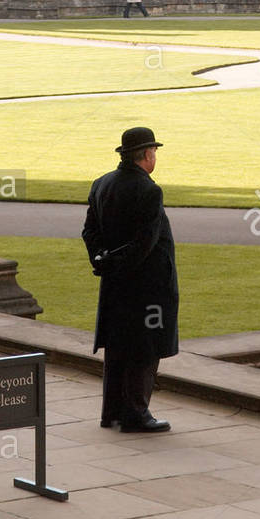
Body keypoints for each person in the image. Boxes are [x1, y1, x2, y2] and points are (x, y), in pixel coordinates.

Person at [82, 127, 178, 433]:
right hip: (146, 289)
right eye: (154, 153)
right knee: (145, 349)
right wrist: (118, 264)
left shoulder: (101, 184)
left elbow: (90, 232)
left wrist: (102, 260)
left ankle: (111, 412)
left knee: (117, 347)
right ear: (147, 154)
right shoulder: (150, 191)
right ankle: (136, 413)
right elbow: (144, 243)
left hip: (114, 285)